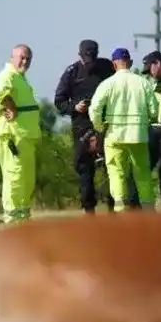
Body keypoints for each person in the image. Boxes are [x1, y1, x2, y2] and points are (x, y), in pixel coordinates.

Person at [88, 48, 158, 212]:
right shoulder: (143, 83)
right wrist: (145, 122)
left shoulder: (108, 83)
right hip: (138, 136)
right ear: (130, 63)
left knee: (116, 172)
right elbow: (154, 110)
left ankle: (120, 210)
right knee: (143, 174)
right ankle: (149, 210)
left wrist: (99, 127)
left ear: (114, 64)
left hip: (114, 135)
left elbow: (95, 108)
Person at [53, 39, 116, 214]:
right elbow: (59, 101)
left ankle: (113, 210)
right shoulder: (72, 72)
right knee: (84, 169)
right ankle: (89, 210)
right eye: (86, 58)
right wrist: (74, 107)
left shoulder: (106, 67)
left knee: (111, 167)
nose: (90, 62)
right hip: (82, 126)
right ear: (80, 55)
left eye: (92, 58)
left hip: (106, 125)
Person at [0, 44, 41, 224]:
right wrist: (10, 106)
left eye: (28, 58)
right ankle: (12, 218)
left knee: (26, 179)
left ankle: (22, 216)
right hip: (13, 135)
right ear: (12, 57)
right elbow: (1, 91)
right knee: (15, 176)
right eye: (22, 57)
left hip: (25, 135)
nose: (25, 61)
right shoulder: (7, 75)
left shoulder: (20, 78)